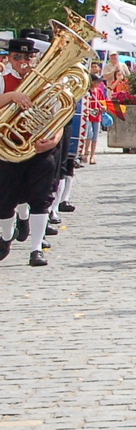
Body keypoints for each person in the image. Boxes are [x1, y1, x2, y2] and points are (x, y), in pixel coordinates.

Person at [0, 35, 63, 266]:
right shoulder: (1, 79)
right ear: (9, 58)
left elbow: (60, 116)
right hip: (8, 149)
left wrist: (54, 139)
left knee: (41, 198)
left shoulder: (47, 83)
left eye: (29, 57)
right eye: (18, 57)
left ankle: (36, 248)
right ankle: (6, 236)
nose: (23, 62)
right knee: (5, 201)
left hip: (39, 150)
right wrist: (10, 97)